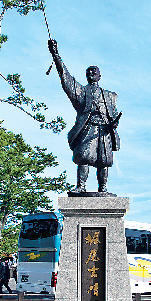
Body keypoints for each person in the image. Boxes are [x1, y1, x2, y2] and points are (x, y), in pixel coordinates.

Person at [48, 39, 121, 193]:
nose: (91, 73)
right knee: (84, 157)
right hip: (88, 127)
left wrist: (114, 123)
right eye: (88, 72)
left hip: (105, 130)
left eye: (94, 72)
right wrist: (56, 55)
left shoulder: (110, 96)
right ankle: (81, 186)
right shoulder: (81, 92)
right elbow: (65, 77)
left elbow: (113, 114)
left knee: (104, 160)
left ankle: (103, 188)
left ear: (100, 76)